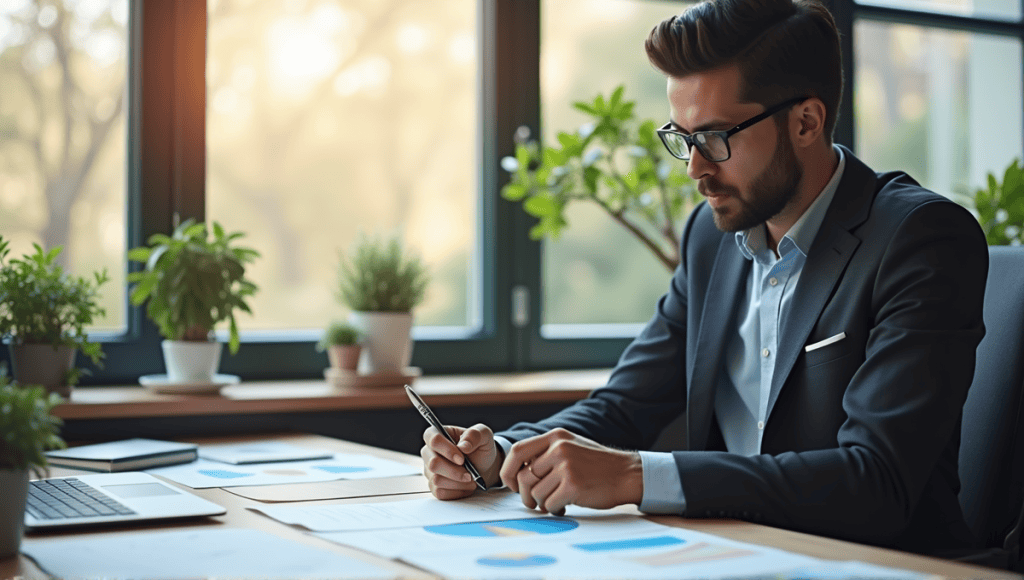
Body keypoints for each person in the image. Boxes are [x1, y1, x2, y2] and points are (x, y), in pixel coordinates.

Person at [420, 0, 988, 555]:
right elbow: (626, 403)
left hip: (884, 565)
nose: (695, 168)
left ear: (806, 122)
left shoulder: (920, 239)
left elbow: (876, 482)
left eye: (715, 138)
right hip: (729, 555)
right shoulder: (710, 238)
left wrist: (638, 476)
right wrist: (501, 454)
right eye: (682, 139)